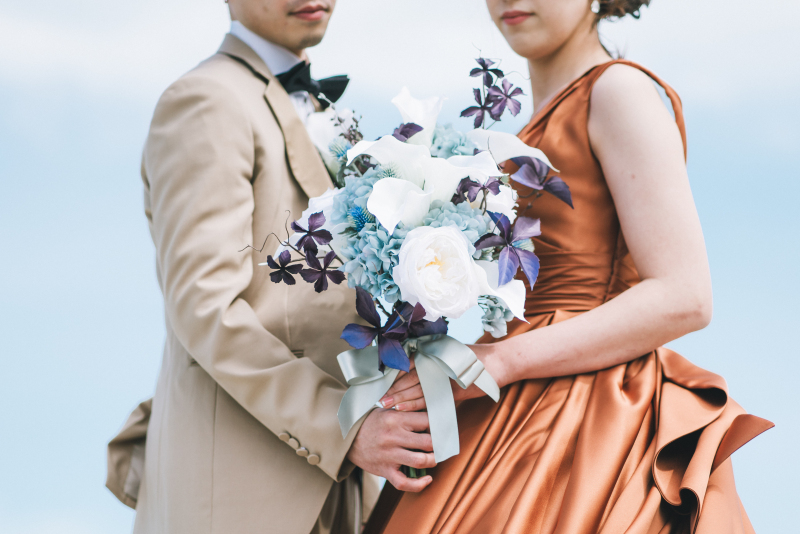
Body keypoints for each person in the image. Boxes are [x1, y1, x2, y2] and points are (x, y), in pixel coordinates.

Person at [367, 1, 772, 532]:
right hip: (519, 389)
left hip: (590, 409)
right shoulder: (526, 125)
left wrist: (503, 360)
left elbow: (686, 295)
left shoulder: (618, 91)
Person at [104, 1, 436, 533]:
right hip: (241, 491)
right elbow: (207, 309)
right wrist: (346, 426)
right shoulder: (206, 100)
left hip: (340, 485)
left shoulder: (323, 112)